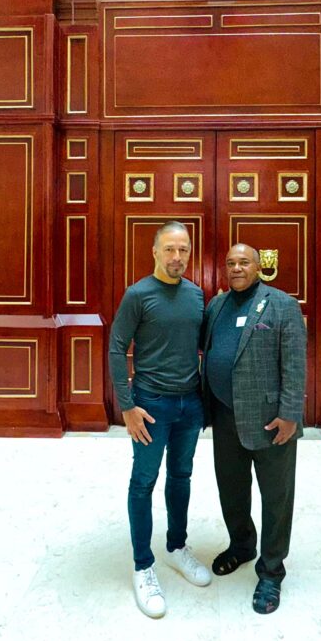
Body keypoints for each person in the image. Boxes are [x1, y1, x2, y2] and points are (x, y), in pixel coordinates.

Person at [108, 221, 212, 618]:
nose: (177, 257)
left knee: (181, 476)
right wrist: (127, 405)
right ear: (154, 251)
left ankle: (176, 546)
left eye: (183, 249)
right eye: (169, 249)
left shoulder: (196, 295)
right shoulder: (138, 294)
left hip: (190, 404)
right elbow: (117, 347)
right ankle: (143, 566)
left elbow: (203, 346)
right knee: (144, 481)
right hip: (151, 405)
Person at [201, 243, 307, 614]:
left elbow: (295, 363)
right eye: (230, 262)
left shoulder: (282, 305)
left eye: (244, 262)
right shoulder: (216, 306)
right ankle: (242, 545)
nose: (236, 268)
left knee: (276, 497)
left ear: (258, 267)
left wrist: (290, 414)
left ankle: (272, 570)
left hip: (271, 421)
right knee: (231, 489)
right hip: (224, 417)